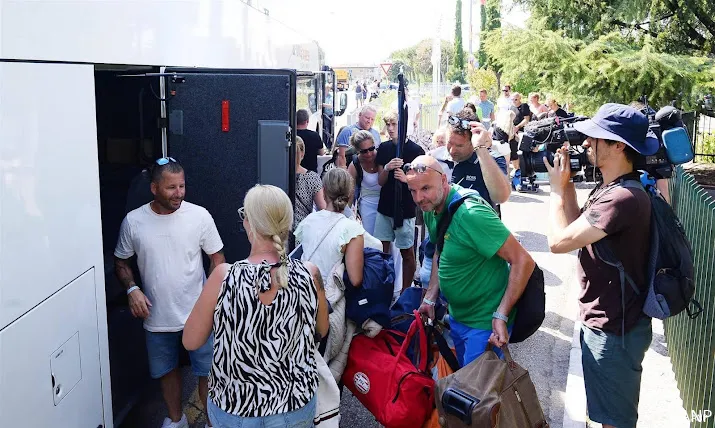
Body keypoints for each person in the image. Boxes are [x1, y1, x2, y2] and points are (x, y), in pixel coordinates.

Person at [545, 103, 660, 428]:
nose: (585, 144)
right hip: (605, 324)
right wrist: (566, 186)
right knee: (603, 416)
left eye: (595, 137)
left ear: (619, 145)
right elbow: (575, 231)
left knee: (614, 423)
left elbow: (558, 242)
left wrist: (554, 193)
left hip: (615, 331)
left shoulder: (623, 199)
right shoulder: (611, 189)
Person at [182, 184, 329, 428]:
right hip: (294, 405)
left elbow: (191, 341)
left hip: (234, 406)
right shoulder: (310, 273)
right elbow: (322, 330)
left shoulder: (223, 277)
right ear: (288, 223)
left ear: (248, 222)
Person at [114, 157, 225, 428]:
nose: (179, 194)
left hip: (198, 315)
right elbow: (121, 261)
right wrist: (132, 289)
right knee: (166, 372)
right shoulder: (134, 222)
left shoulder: (199, 216)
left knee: (207, 373)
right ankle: (177, 420)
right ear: (154, 188)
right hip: (156, 317)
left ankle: (212, 423)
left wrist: (210, 299)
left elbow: (218, 260)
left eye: (182, 186)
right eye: (171, 188)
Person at [406, 153, 534, 366]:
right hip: (458, 317)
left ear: (444, 181)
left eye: (425, 188)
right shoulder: (431, 208)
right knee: (464, 388)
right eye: (413, 191)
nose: (419, 198)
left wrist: (501, 315)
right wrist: (430, 296)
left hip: (484, 324)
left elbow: (523, 260)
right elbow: (440, 250)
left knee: (477, 394)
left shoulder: (471, 214)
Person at [375, 110, 425, 293]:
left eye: (394, 124)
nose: (390, 128)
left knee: (407, 252)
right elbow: (380, 181)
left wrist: (407, 179)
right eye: (388, 124)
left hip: (405, 209)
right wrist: (387, 168)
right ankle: (383, 290)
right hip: (385, 207)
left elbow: (423, 182)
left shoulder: (415, 150)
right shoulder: (384, 148)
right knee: (381, 252)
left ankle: (405, 292)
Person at [347, 130, 383, 235]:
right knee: (371, 236)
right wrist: (347, 213)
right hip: (368, 204)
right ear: (357, 150)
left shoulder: (382, 156)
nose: (369, 154)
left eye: (371, 149)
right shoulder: (355, 165)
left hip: (386, 202)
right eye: (364, 151)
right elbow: (350, 191)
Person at [294, 136, 326, 229]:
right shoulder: (312, 178)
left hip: (281, 231)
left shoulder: (277, 175)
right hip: (303, 231)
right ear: (303, 154)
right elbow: (322, 208)